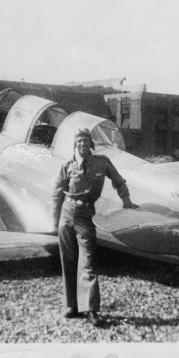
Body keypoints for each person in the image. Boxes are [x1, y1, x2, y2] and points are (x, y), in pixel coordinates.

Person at [52, 128, 138, 325]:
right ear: (75, 146)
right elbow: (57, 193)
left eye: (85, 141)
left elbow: (118, 181)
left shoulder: (102, 162)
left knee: (88, 262)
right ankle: (71, 306)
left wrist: (126, 199)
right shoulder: (68, 166)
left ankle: (91, 309)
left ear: (91, 144)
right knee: (68, 261)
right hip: (66, 214)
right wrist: (54, 219)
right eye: (78, 142)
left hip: (85, 216)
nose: (82, 145)